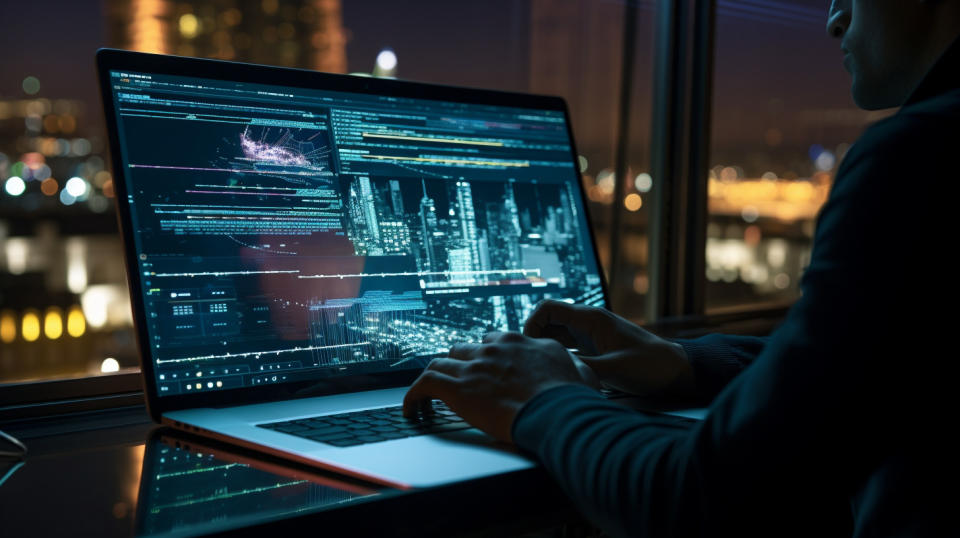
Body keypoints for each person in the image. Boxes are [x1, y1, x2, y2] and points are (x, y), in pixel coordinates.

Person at [404, 1, 957, 536]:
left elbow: (703, 498)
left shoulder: (918, 158)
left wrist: (542, 400)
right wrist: (683, 363)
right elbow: (863, 373)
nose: (836, 19)